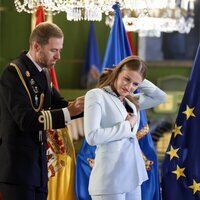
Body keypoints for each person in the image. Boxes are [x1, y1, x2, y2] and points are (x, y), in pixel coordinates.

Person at [0, 22, 84, 200]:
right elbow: (26, 120)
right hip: (18, 169)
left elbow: (59, 104)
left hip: (39, 167)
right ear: (36, 46)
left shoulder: (43, 73)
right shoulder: (14, 73)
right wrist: (70, 111)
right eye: (54, 50)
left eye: (59, 50)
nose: (59, 56)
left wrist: (96, 100)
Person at [84, 55, 167, 200]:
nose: (129, 87)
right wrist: (127, 125)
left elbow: (160, 97)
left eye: (135, 84)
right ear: (117, 73)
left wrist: (139, 78)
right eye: (126, 79)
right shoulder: (97, 95)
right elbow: (92, 136)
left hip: (132, 175)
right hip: (109, 178)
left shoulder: (132, 100)